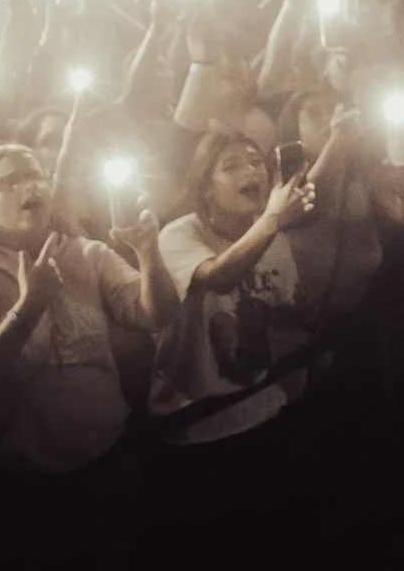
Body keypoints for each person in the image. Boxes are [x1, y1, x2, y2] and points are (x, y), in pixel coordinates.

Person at [0, 142, 175, 561]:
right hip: (18, 483)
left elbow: (158, 315)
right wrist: (27, 308)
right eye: (12, 180)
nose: (30, 185)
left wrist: (148, 253)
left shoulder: (88, 254)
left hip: (106, 459)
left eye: (36, 174)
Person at [144, 128, 317, 553]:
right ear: (205, 186)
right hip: (198, 423)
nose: (250, 169)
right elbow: (219, 277)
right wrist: (273, 219)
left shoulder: (272, 238)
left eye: (256, 160)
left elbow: (289, 314)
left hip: (262, 408)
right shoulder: (179, 234)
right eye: (231, 165)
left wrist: (307, 306)